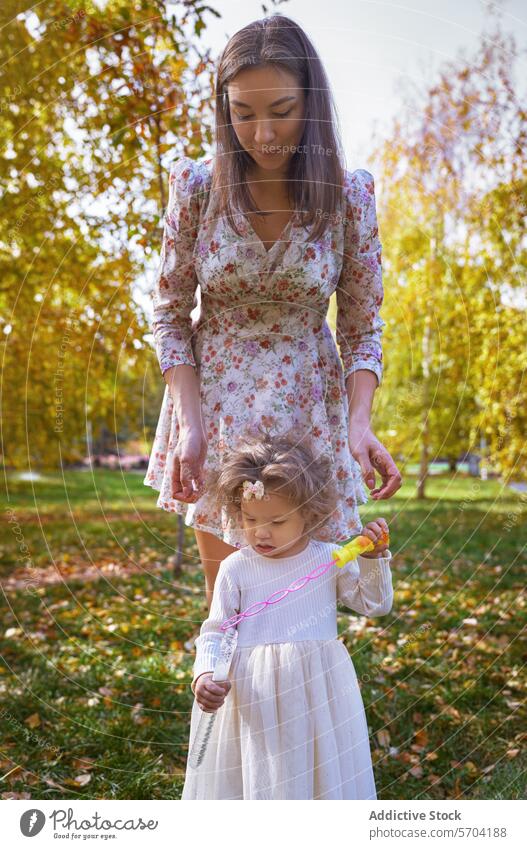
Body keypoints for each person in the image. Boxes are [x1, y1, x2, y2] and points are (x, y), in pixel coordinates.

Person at [143, 13, 402, 608]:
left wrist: (358, 424)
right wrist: (190, 426)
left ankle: (304, 705)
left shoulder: (348, 197)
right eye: (243, 113)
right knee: (230, 614)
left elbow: (362, 330)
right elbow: (171, 314)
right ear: (223, 110)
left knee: (302, 612)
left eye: (281, 111)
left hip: (309, 415)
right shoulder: (197, 189)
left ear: (311, 103)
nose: (262, 134)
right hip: (217, 416)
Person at [181, 430, 394, 800]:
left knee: (317, 768)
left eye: (277, 522)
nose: (261, 532)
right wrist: (203, 673)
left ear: (309, 513)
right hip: (254, 693)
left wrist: (373, 561)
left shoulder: (328, 558)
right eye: (249, 520)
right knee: (264, 771)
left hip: (317, 689)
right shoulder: (236, 568)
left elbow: (374, 605)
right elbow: (215, 631)